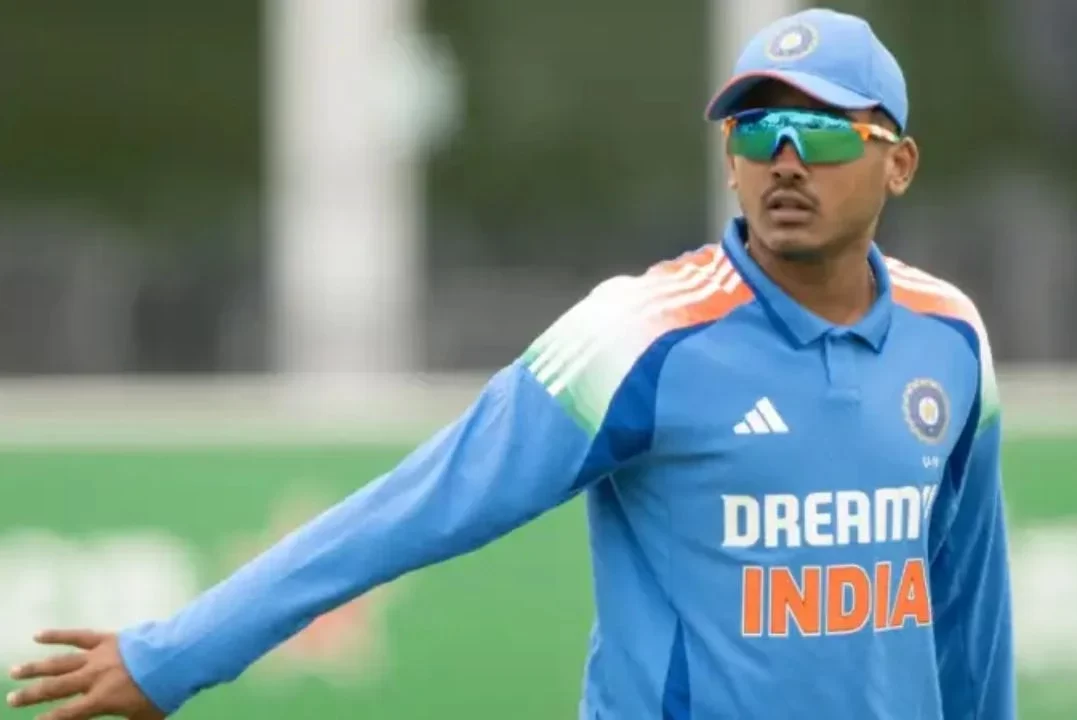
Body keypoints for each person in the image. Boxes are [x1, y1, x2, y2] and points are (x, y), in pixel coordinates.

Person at [6, 8, 1015, 720]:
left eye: (823, 131)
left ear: (898, 162)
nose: (784, 158)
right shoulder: (640, 334)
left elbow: (967, 607)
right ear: (729, 159)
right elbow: (415, 505)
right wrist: (176, 655)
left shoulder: (949, 337)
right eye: (756, 128)